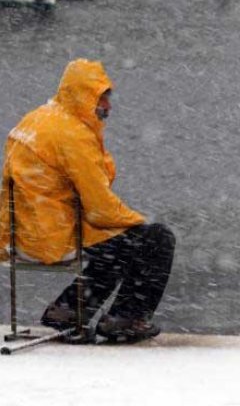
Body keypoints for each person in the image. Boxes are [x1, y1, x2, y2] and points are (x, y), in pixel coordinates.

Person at [0, 59, 176, 342]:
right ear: (84, 96)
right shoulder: (74, 135)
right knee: (156, 239)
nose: (108, 106)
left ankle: (69, 310)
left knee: (117, 243)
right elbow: (100, 208)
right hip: (51, 236)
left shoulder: (38, 119)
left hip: (19, 232)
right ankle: (125, 318)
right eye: (102, 97)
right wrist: (139, 221)